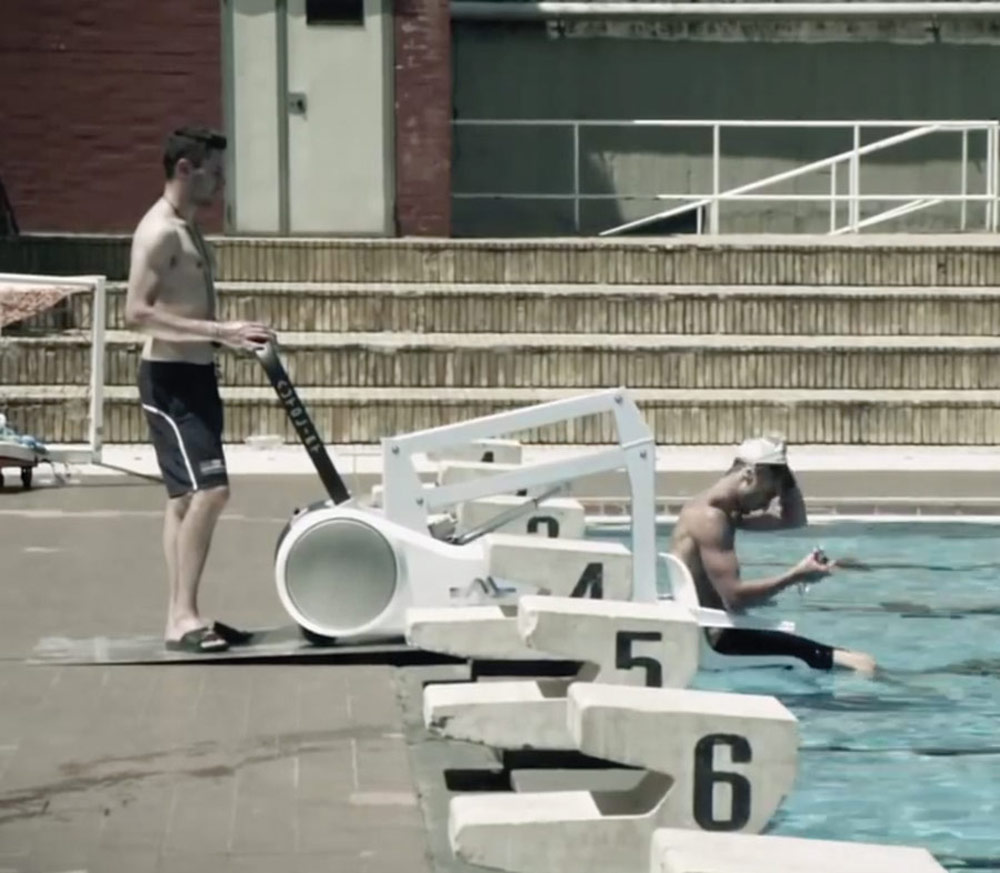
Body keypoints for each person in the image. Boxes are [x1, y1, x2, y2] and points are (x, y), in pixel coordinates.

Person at [125, 126, 274, 653]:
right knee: (211, 491)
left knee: (184, 500)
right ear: (186, 169)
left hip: (195, 375)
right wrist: (220, 331)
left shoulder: (188, 229)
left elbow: (184, 304)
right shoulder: (159, 231)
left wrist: (232, 338)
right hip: (170, 383)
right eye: (215, 172)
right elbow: (136, 312)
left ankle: (181, 615)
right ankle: (182, 618)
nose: (222, 183)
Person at [669, 435, 876, 675]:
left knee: (848, 658)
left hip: (723, 631)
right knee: (862, 664)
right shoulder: (710, 519)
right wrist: (796, 576)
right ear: (749, 475)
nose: (766, 506)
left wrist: (782, 472)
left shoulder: (712, 510)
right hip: (723, 640)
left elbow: (794, 519)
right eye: (768, 494)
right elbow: (735, 598)